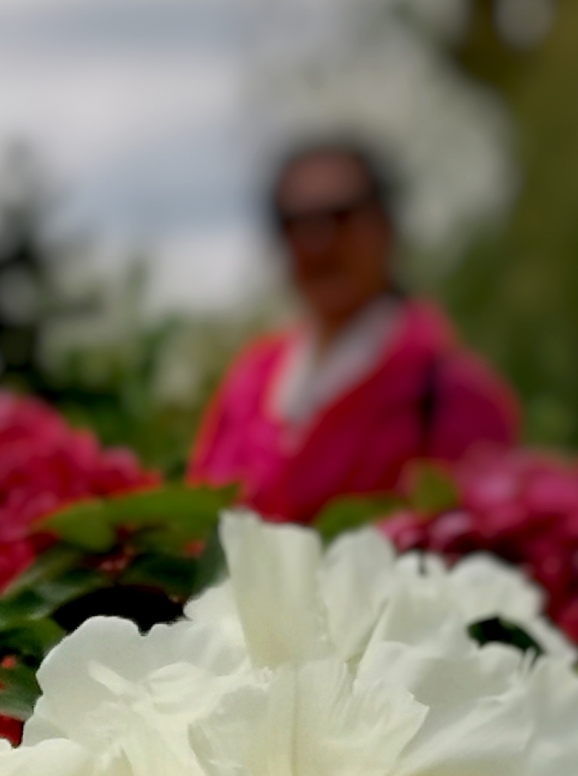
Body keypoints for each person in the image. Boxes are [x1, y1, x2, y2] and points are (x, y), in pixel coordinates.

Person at [190, 138, 520, 522]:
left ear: (385, 226)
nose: (318, 242)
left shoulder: (452, 395)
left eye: (340, 216)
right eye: (295, 222)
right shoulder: (248, 385)